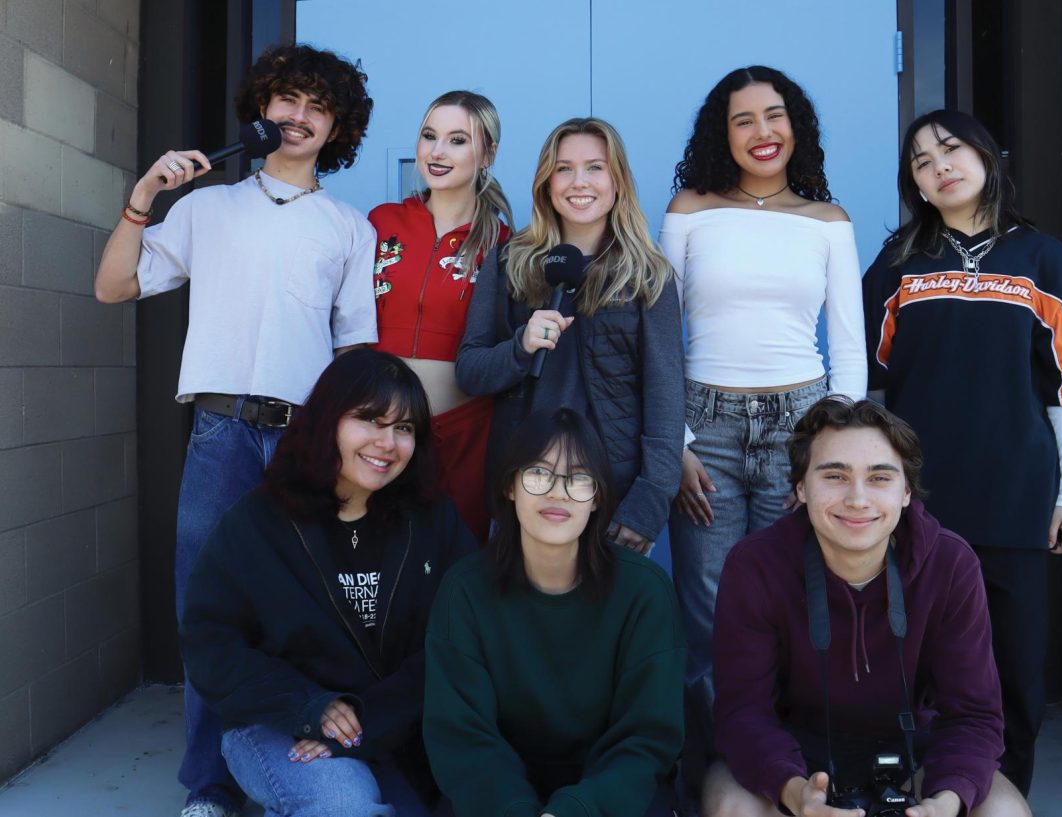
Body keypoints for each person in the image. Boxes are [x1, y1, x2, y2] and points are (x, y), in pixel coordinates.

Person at [93, 43, 377, 817]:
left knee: (303, 609)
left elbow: (355, 352)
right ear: (262, 109)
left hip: (305, 441)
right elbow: (113, 285)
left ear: (337, 127)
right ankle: (209, 787)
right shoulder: (207, 207)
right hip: (220, 433)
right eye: (286, 99)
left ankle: (293, 759)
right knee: (206, 610)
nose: (299, 116)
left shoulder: (348, 228)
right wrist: (145, 194)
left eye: (318, 106)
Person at [861, 109, 1062, 796]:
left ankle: (1002, 795)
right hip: (919, 501)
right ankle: (918, 793)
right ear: (917, 185)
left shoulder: (1042, 259)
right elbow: (870, 385)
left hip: (1017, 497)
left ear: (988, 156)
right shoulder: (901, 262)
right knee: (912, 660)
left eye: (951, 148)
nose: (939, 165)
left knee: (1015, 667)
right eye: (921, 161)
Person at [659, 65, 867, 792]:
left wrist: (828, 460)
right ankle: (718, 781)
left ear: (795, 125)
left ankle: (801, 774)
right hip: (705, 427)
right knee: (709, 615)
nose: (761, 132)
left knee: (803, 602)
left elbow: (847, 347)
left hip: (801, 427)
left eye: (773, 116)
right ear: (724, 134)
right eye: (742, 120)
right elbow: (661, 337)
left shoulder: (827, 221)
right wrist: (677, 444)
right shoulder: (689, 208)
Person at [179, 349, 475, 817]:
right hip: (278, 723)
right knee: (345, 805)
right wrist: (307, 707)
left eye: (404, 428)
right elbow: (209, 643)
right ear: (327, 421)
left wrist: (369, 721)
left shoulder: (432, 521)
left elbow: (463, 638)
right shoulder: (260, 521)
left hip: (393, 726)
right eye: (370, 421)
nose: (387, 442)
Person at [707, 396, 1030, 817]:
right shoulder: (755, 565)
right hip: (794, 756)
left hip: (915, 753)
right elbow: (742, 712)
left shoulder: (950, 564)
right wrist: (794, 791)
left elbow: (973, 715)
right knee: (733, 805)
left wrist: (945, 801)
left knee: (1004, 812)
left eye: (879, 478)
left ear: (906, 492)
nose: (857, 499)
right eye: (835, 476)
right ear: (801, 488)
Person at [423, 408, 686, 817]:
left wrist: (575, 810)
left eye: (579, 478)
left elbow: (647, 737)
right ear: (510, 485)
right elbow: (462, 735)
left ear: (597, 497)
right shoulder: (465, 591)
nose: (558, 492)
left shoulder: (644, 592)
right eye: (538, 473)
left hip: (612, 800)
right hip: (493, 801)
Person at [457, 117, 683, 552]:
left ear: (617, 180)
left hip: (612, 492)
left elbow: (666, 401)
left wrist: (649, 503)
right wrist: (521, 347)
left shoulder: (649, 276)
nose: (579, 182)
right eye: (564, 168)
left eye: (595, 167)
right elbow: (470, 371)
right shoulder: (509, 261)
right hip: (522, 483)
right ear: (547, 182)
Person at [369, 90, 512, 542]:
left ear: (487, 153)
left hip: (466, 434)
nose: (437, 151)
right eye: (430, 136)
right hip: (380, 432)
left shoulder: (505, 244)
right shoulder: (382, 222)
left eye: (457, 140)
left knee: (455, 564)